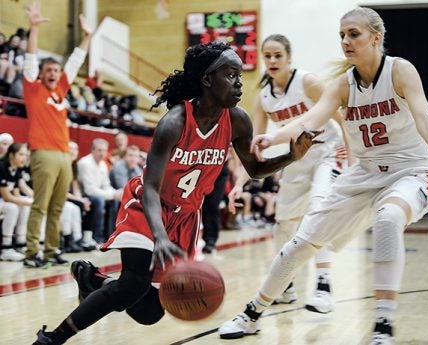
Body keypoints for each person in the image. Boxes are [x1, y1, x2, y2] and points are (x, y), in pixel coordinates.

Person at [32, 41, 322, 345]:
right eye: (230, 75)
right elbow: (152, 188)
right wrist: (158, 235)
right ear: (208, 79)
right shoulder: (174, 122)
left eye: (239, 75)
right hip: (148, 207)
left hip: (185, 218)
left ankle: (94, 280)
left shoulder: (237, 120)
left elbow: (254, 169)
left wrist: (291, 156)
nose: (239, 83)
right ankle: (52, 339)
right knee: (132, 284)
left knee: (150, 312)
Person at [218, 7, 428, 344]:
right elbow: (310, 119)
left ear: (376, 37)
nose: (345, 41)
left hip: (410, 172)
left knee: (388, 220)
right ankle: (253, 312)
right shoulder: (342, 85)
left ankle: (383, 326)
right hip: (364, 175)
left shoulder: (400, 70)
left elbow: (424, 115)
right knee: (299, 243)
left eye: (353, 34)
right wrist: (273, 137)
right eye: (342, 35)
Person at [227, 34, 348, 310]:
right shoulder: (264, 98)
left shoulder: (308, 82)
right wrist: (239, 184)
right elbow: (253, 148)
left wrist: (354, 158)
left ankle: (323, 287)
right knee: (283, 224)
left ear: (289, 57)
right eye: (267, 55)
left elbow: (343, 118)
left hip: (326, 154)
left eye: (277, 55)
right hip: (295, 161)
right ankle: (287, 286)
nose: (272, 60)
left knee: (319, 214)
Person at [22, 2, 92, 268]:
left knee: (58, 207)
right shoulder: (33, 89)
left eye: (55, 71)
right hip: (44, 153)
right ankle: (32, 253)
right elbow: (30, 57)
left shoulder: (60, 90)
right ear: (40, 75)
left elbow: (74, 62)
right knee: (41, 205)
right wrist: (34, 29)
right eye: (48, 71)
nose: (53, 74)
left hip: (64, 155)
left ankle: (51, 251)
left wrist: (87, 37)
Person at [0, 143, 33, 261]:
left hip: (3, 201)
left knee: (24, 206)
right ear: (11, 155)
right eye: (21, 154)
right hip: (3, 200)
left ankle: (20, 243)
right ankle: (6, 248)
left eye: (25, 155)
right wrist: (29, 202)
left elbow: (17, 192)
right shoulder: (2, 167)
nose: (24, 157)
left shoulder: (17, 169)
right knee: (12, 207)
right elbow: (7, 197)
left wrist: (34, 200)